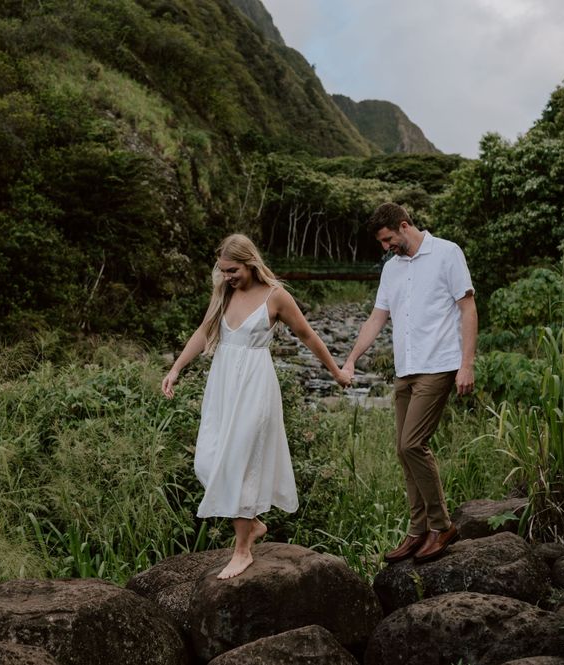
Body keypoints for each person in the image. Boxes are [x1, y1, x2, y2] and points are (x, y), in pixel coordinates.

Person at [162, 233, 350, 579]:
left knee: (240, 461)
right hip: (222, 388)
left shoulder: (275, 296)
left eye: (232, 270)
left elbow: (307, 335)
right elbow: (203, 332)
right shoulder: (224, 293)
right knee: (207, 461)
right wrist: (176, 369)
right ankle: (254, 524)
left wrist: (336, 372)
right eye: (223, 270)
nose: (227, 276)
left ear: (249, 263)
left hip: (255, 386)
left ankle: (242, 550)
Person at [342, 202, 477, 564]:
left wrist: (467, 365)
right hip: (406, 368)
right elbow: (376, 318)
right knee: (404, 451)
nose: (386, 247)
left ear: (404, 226)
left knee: (413, 443)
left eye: (388, 239)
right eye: (382, 243)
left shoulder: (447, 253)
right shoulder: (392, 269)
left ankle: (441, 526)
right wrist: (352, 358)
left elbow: (467, 308)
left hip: (439, 364)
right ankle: (418, 531)